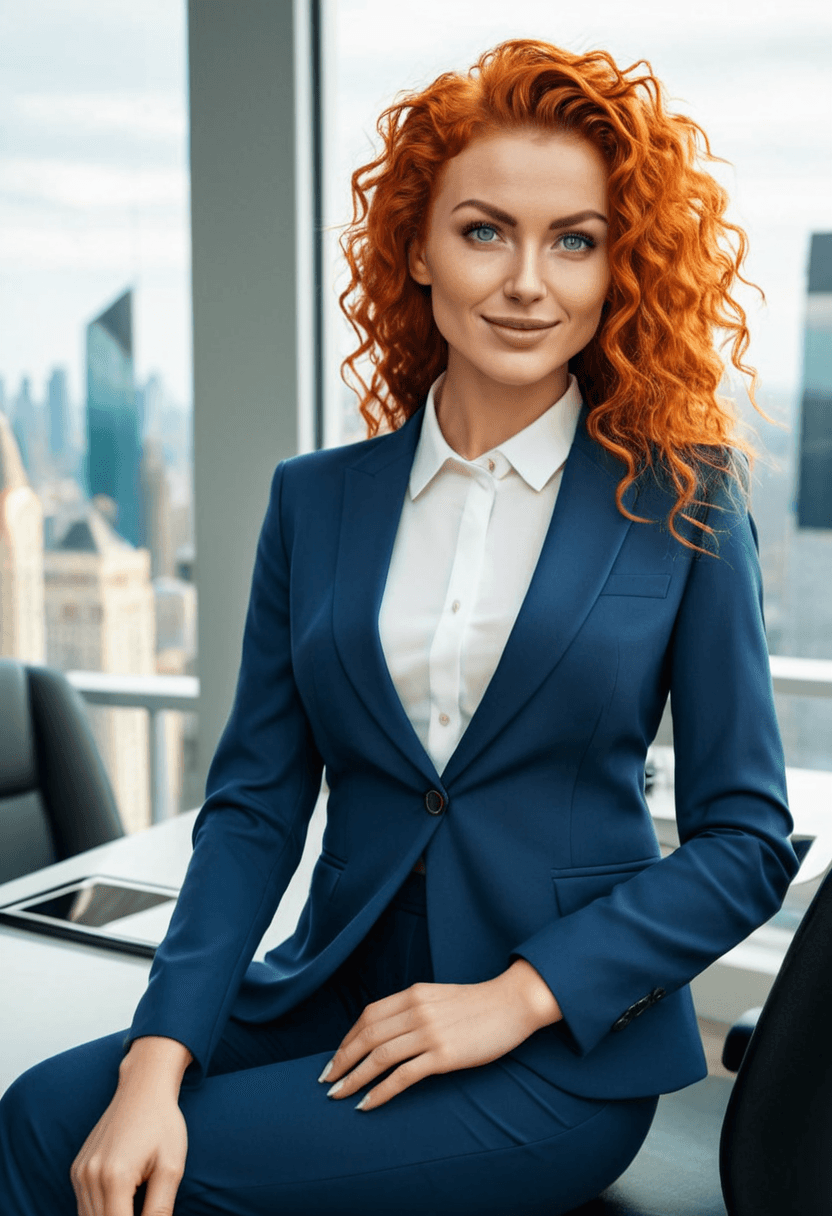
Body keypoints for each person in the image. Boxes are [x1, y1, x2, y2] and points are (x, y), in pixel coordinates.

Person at [0, 36, 800, 1216]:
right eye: (485, 231)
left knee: (185, 1176)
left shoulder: (680, 498)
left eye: (572, 241)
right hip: (334, 990)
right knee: (46, 1118)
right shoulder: (315, 500)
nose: (528, 280)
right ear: (417, 248)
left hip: (553, 1050)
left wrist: (519, 993)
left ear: (614, 271)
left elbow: (745, 839)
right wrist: (156, 1057)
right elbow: (256, 805)